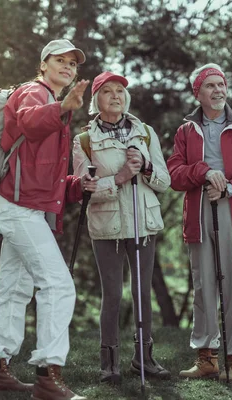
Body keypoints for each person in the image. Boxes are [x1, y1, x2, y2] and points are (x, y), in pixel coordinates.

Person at [0, 39, 97, 400]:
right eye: (59, 60)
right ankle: (48, 376)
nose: (67, 67)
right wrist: (63, 106)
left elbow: (42, 173)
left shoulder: (54, 102)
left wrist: (76, 186)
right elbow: (30, 125)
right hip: (19, 209)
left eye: (72, 64)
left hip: (25, 205)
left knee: (13, 287)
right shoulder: (34, 93)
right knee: (59, 286)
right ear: (43, 65)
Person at [167, 63, 232, 382]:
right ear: (197, 93)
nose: (218, 90)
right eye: (210, 86)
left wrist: (229, 186)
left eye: (221, 84)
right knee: (204, 287)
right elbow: (174, 174)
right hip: (199, 211)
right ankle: (207, 357)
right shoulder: (186, 131)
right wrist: (202, 172)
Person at [72, 71, 171, 384]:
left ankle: (144, 359)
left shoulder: (145, 133)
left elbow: (165, 182)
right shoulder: (84, 140)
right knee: (112, 294)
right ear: (96, 99)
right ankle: (109, 363)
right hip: (108, 226)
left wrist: (146, 166)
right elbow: (83, 188)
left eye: (119, 91)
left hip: (143, 223)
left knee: (142, 293)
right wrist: (119, 178)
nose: (115, 96)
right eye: (107, 91)